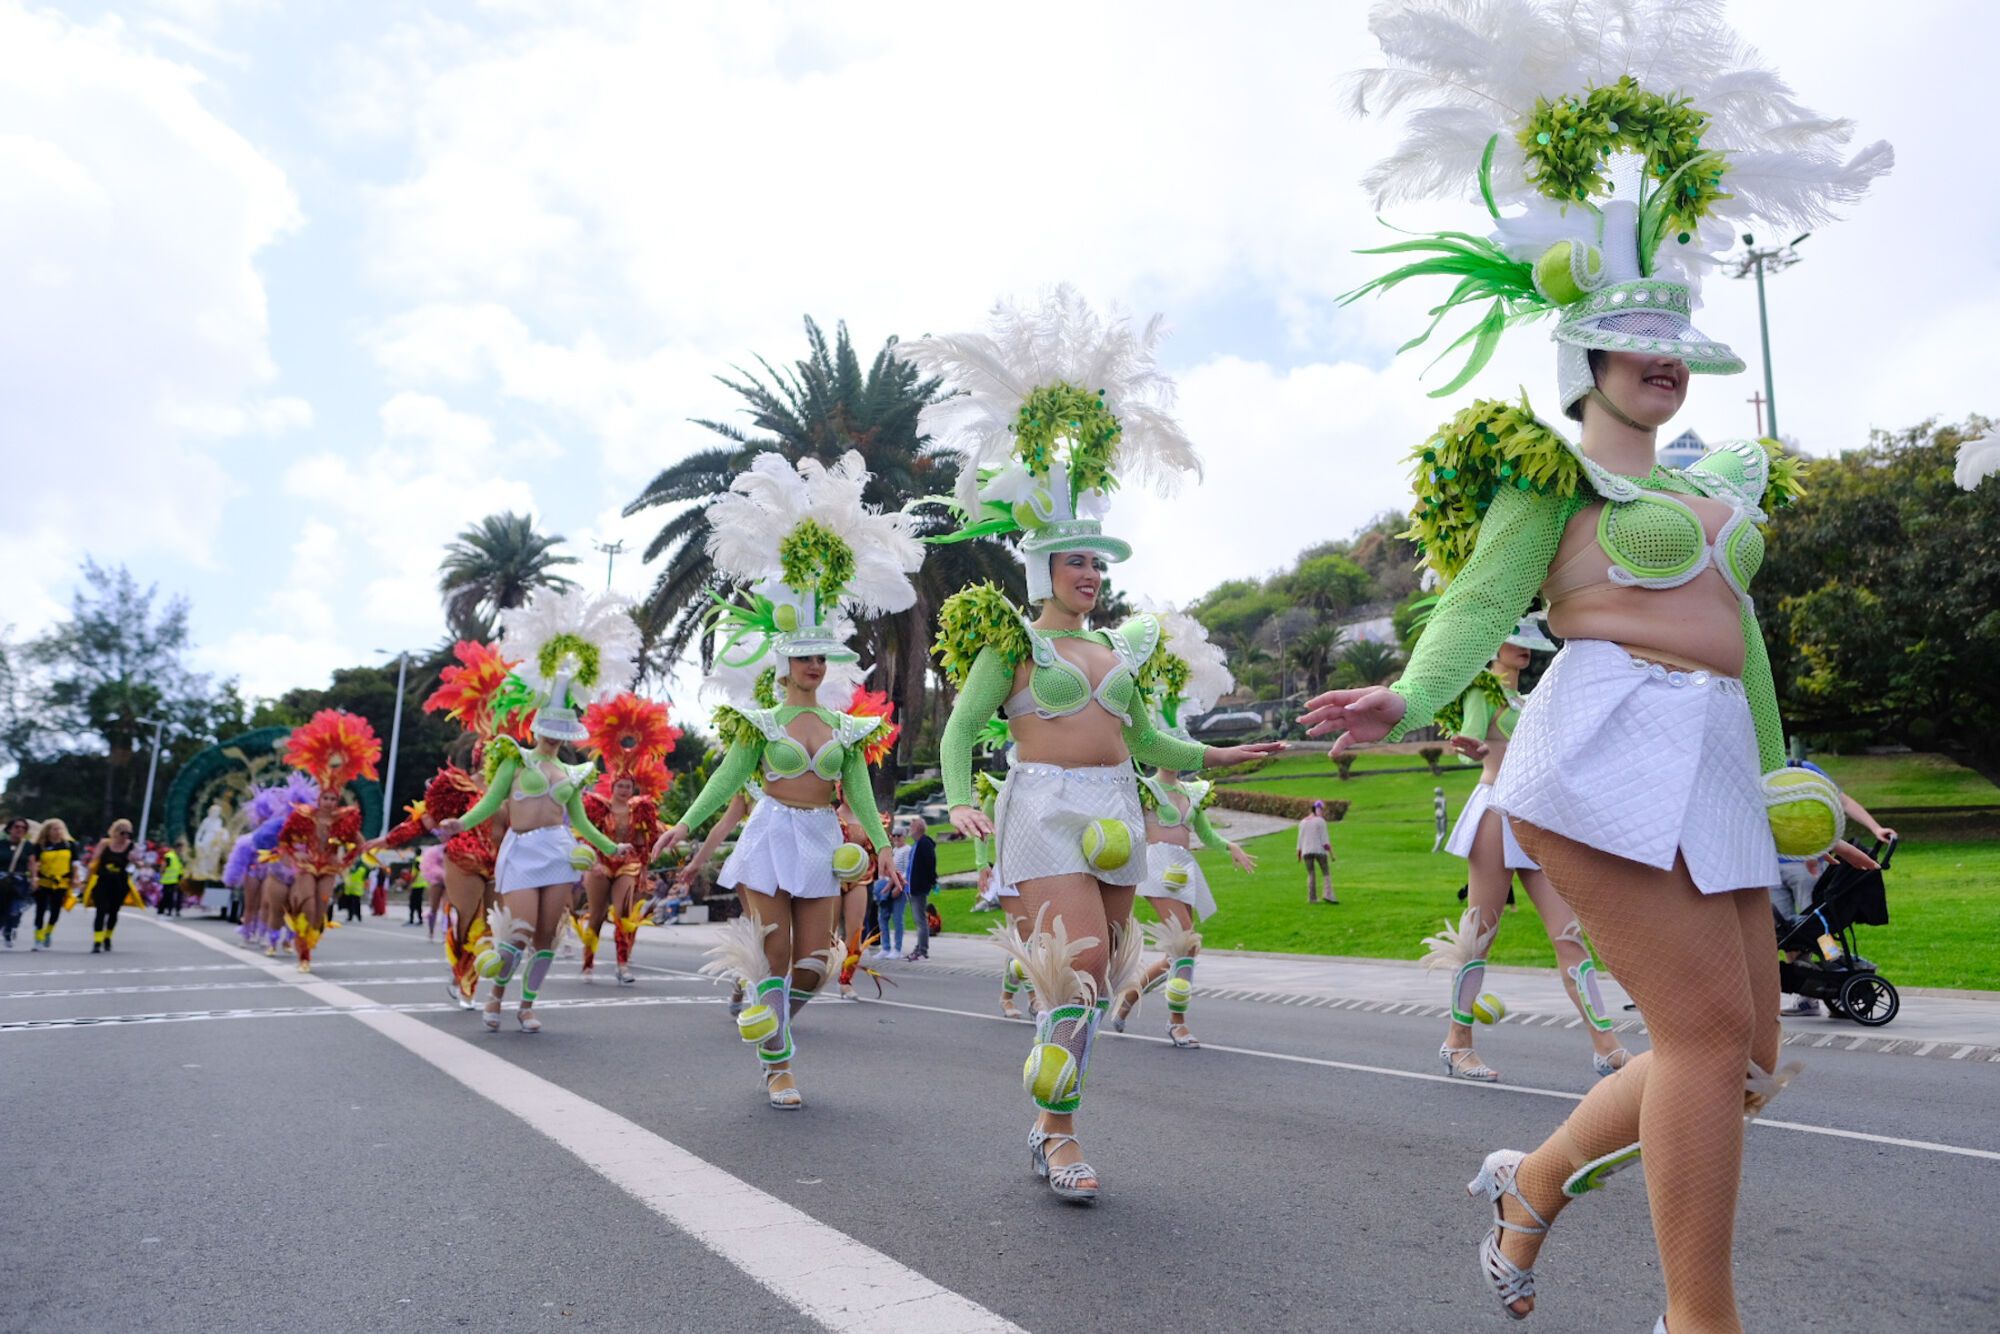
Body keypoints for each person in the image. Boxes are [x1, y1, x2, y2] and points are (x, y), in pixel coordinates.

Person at [1325, 11, 1890, 1324]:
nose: (1663, 360)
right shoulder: (1550, 473)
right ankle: (1701, 1316)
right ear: (1585, 357)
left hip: (1706, 757)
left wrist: (1790, 777)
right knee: (1699, 1038)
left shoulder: (1710, 488)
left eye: (1676, 343)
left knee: (1745, 1053)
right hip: (1597, 744)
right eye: (1636, 343)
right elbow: (1479, 599)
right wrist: (1409, 692)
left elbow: (1735, 641)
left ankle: (1533, 1180)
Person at [901, 287, 1284, 1201]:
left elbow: (1148, 739)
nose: (1093, 575)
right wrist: (960, 795)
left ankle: (1046, 1116)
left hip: (1118, 807)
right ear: (1044, 569)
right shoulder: (1012, 640)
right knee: (1073, 974)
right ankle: (1064, 1135)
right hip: (1040, 805)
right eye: (1078, 562)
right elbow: (959, 728)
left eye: (1099, 565)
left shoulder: (1122, 648)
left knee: (1103, 977)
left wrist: (1218, 761)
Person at [658, 451, 918, 1108]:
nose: (811, 664)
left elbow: (856, 791)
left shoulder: (844, 726)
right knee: (776, 958)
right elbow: (726, 780)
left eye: (819, 655)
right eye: (801, 655)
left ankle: (772, 1026)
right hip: (772, 834)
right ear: (784, 659)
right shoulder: (759, 722)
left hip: (822, 840)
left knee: (813, 967)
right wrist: (685, 827)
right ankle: (779, 1066)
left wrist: (884, 847)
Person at [1426, 615, 1631, 1081]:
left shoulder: (1531, 697)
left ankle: (1607, 1045)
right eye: (1513, 641)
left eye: (1527, 642)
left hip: (1535, 817)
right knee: (1480, 936)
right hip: (1497, 812)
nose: (1525, 649)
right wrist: (1470, 747)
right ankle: (1457, 1043)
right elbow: (1473, 740)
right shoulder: (1485, 693)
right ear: (1492, 646)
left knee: (1569, 933)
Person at [439, 588, 637, 1034]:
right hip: (522, 851)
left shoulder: (573, 771)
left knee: (546, 938)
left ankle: (527, 1005)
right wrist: (460, 823)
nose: (553, 736)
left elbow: (582, 822)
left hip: (558, 852)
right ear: (537, 724)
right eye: (548, 728)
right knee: (518, 933)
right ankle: (495, 996)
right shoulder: (514, 758)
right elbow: (491, 803)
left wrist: (612, 846)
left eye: (561, 729)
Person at [1112, 610, 1257, 1048]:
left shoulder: (1193, 793)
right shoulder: (1145, 790)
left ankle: (1132, 994)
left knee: (1188, 947)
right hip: (1158, 868)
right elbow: (1130, 830)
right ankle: (1177, 1023)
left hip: (1186, 866)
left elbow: (1206, 835)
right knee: (1185, 941)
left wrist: (1230, 846)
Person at [372, 639, 523, 1006]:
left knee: (491, 926)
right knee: (469, 920)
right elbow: (425, 820)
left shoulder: (516, 790)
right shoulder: (456, 784)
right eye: (486, 754)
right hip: (464, 859)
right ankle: (464, 980)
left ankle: (465, 976)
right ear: (478, 757)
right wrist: (386, 842)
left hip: (500, 865)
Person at [1772, 760, 1899, 1015]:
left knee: (1818, 926)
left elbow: (1843, 802)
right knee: (1790, 933)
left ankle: (1835, 966)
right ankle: (1808, 996)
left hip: (1806, 863)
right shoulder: (1761, 771)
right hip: (1769, 866)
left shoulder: (1801, 769)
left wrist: (1875, 828)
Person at [578, 692, 677, 984]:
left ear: (633, 788)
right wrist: (592, 860)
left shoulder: (642, 807)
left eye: (628, 786)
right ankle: (588, 963)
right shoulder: (597, 805)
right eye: (619, 785)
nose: (623, 790)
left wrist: (664, 844)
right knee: (596, 915)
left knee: (624, 912)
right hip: (600, 862)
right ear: (612, 786)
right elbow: (587, 834)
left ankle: (623, 965)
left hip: (628, 863)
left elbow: (650, 834)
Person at [277, 711, 381, 972]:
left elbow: (359, 843)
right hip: (307, 864)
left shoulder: (344, 820)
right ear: (318, 799)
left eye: (333, 799)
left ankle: (308, 946)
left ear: (338, 801)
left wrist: (345, 860)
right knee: (307, 903)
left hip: (329, 866)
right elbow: (284, 841)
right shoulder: (302, 815)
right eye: (325, 798)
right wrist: (294, 857)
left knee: (320, 907)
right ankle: (303, 954)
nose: (329, 803)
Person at [86, 818, 137, 953]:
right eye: (122, 833)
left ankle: (107, 937)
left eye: (128, 833)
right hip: (103, 881)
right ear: (115, 831)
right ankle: (97, 940)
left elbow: (139, 863)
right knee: (101, 910)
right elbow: (94, 860)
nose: (125, 836)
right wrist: (86, 881)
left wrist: (135, 860)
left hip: (120, 882)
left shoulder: (131, 846)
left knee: (114, 911)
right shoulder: (105, 843)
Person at [30, 819, 76, 951]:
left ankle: (48, 931)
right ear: (47, 831)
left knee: (56, 910)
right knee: (40, 909)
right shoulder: (40, 845)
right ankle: (38, 937)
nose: (57, 832)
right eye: (54, 829)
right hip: (44, 881)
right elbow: (35, 863)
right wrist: (35, 878)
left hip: (62, 882)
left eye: (60, 829)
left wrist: (75, 879)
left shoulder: (69, 845)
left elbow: (75, 864)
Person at [874, 825, 910, 959]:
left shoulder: (907, 850)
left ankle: (897, 949)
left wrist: (897, 887)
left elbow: (907, 871)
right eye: (893, 835)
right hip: (888, 887)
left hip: (899, 888)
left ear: (904, 836)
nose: (896, 838)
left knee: (897, 918)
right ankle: (885, 947)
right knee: (882, 917)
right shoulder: (893, 850)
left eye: (898, 835)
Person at [905, 818, 939, 960]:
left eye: (911, 826)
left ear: (918, 828)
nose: (909, 829)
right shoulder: (917, 844)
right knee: (918, 920)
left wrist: (932, 881)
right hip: (912, 888)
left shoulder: (924, 844)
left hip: (918, 888)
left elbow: (930, 864)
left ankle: (922, 950)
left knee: (920, 920)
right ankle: (919, 948)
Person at [2, 817, 36, 949]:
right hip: (2, 881)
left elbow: (32, 863)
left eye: (23, 828)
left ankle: (10, 930)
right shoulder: (1, 844)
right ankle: (4, 928)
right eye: (17, 827)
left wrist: (34, 878)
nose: (20, 830)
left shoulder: (27, 846)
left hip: (19, 882)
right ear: (10, 828)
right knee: (2, 908)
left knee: (15, 909)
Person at [1296, 799, 1335, 904]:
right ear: (1318, 810)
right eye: (1322, 810)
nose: (1323, 812)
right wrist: (1331, 854)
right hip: (1319, 850)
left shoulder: (1302, 822)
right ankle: (1328, 895)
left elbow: (1300, 839)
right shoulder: (1321, 821)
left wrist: (1299, 853)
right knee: (1325, 872)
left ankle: (1312, 898)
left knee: (1311, 873)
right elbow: (1325, 840)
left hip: (1306, 851)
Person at [1431, 786, 1449, 853]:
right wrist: (1445, 817)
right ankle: (1436, 848)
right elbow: (1444, 809)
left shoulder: (1435, 799)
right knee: (1443, 833)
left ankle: (1436, 847)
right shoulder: (1443, 799)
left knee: (1438, 832)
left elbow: (1435, 808)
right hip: (1442, 815)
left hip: (1437, 814)